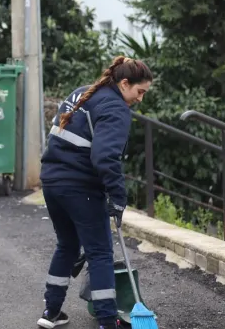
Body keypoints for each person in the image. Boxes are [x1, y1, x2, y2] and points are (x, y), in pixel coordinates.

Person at [37, 56, 153, 329]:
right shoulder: (115, 108)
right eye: (140, 91)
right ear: (124, 83)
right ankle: (106, 321)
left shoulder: (82, 93)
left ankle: (51, 312)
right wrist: (118, 197)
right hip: (80, 188)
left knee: (67, 246)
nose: (140, 99)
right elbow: (105, 157)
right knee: (100, 252)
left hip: (52, 182)